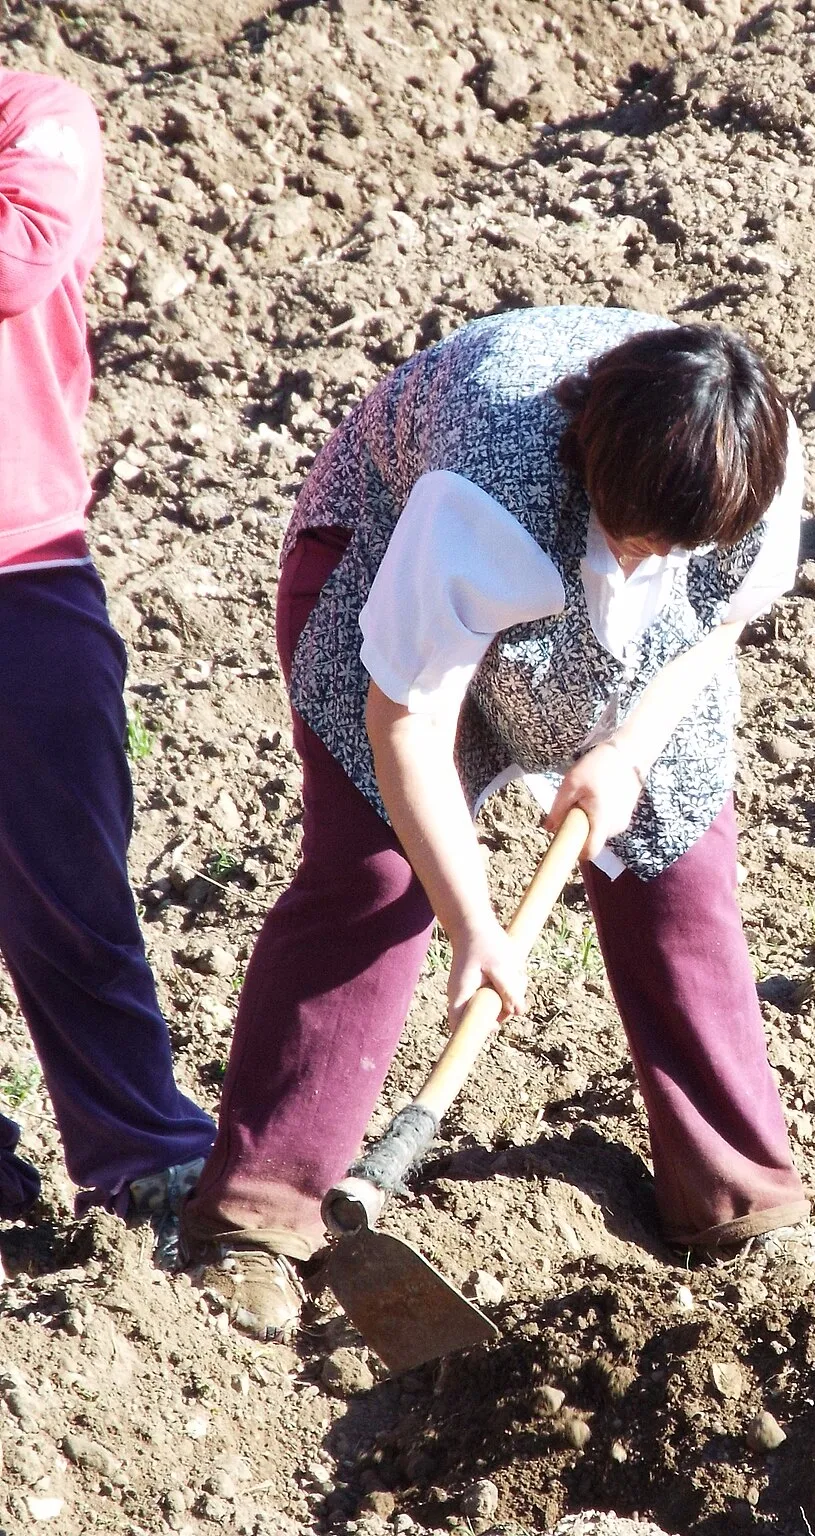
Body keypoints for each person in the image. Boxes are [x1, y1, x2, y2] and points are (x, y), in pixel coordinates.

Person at [182, 306, 812, 1340]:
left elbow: (718, 626)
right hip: (384, 563)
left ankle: (733, 1196)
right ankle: (257, 1220)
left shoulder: (748, 477)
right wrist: (472, 920)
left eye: (679, 547)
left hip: (634, 645)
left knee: (677, 860)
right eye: (637, 536)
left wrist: (623, 749)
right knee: (376, 876)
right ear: (592, 471)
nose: (656, 559)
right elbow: (409, 723)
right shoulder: (484, 493)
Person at [0, 68, 216, 1233]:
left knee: (67, 887)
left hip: (19, 565)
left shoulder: (34, 113)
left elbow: (21, 256)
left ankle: (145, 1150)